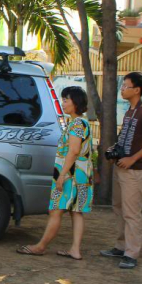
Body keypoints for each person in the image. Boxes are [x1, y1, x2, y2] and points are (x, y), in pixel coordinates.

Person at [17, 86, 93, 260]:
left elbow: (73, 151)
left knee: (56, 210)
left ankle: (40, 246)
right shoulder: (82, 122)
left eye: (66, 100)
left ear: (76, 102)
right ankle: (75, 249)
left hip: (71, 174)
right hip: (81, 174)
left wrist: (62, 175)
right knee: (76, 211)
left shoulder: (76, 124)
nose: (63, 103)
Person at [100, 72, 142, 269]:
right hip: (122, 168)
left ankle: (131, 253)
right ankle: (121, 246)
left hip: (134, 171)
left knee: (132, 213)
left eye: (126, 86)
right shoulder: (129, 112)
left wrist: (133, 158)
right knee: (118, 209)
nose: (122, 89)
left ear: (137, 90)